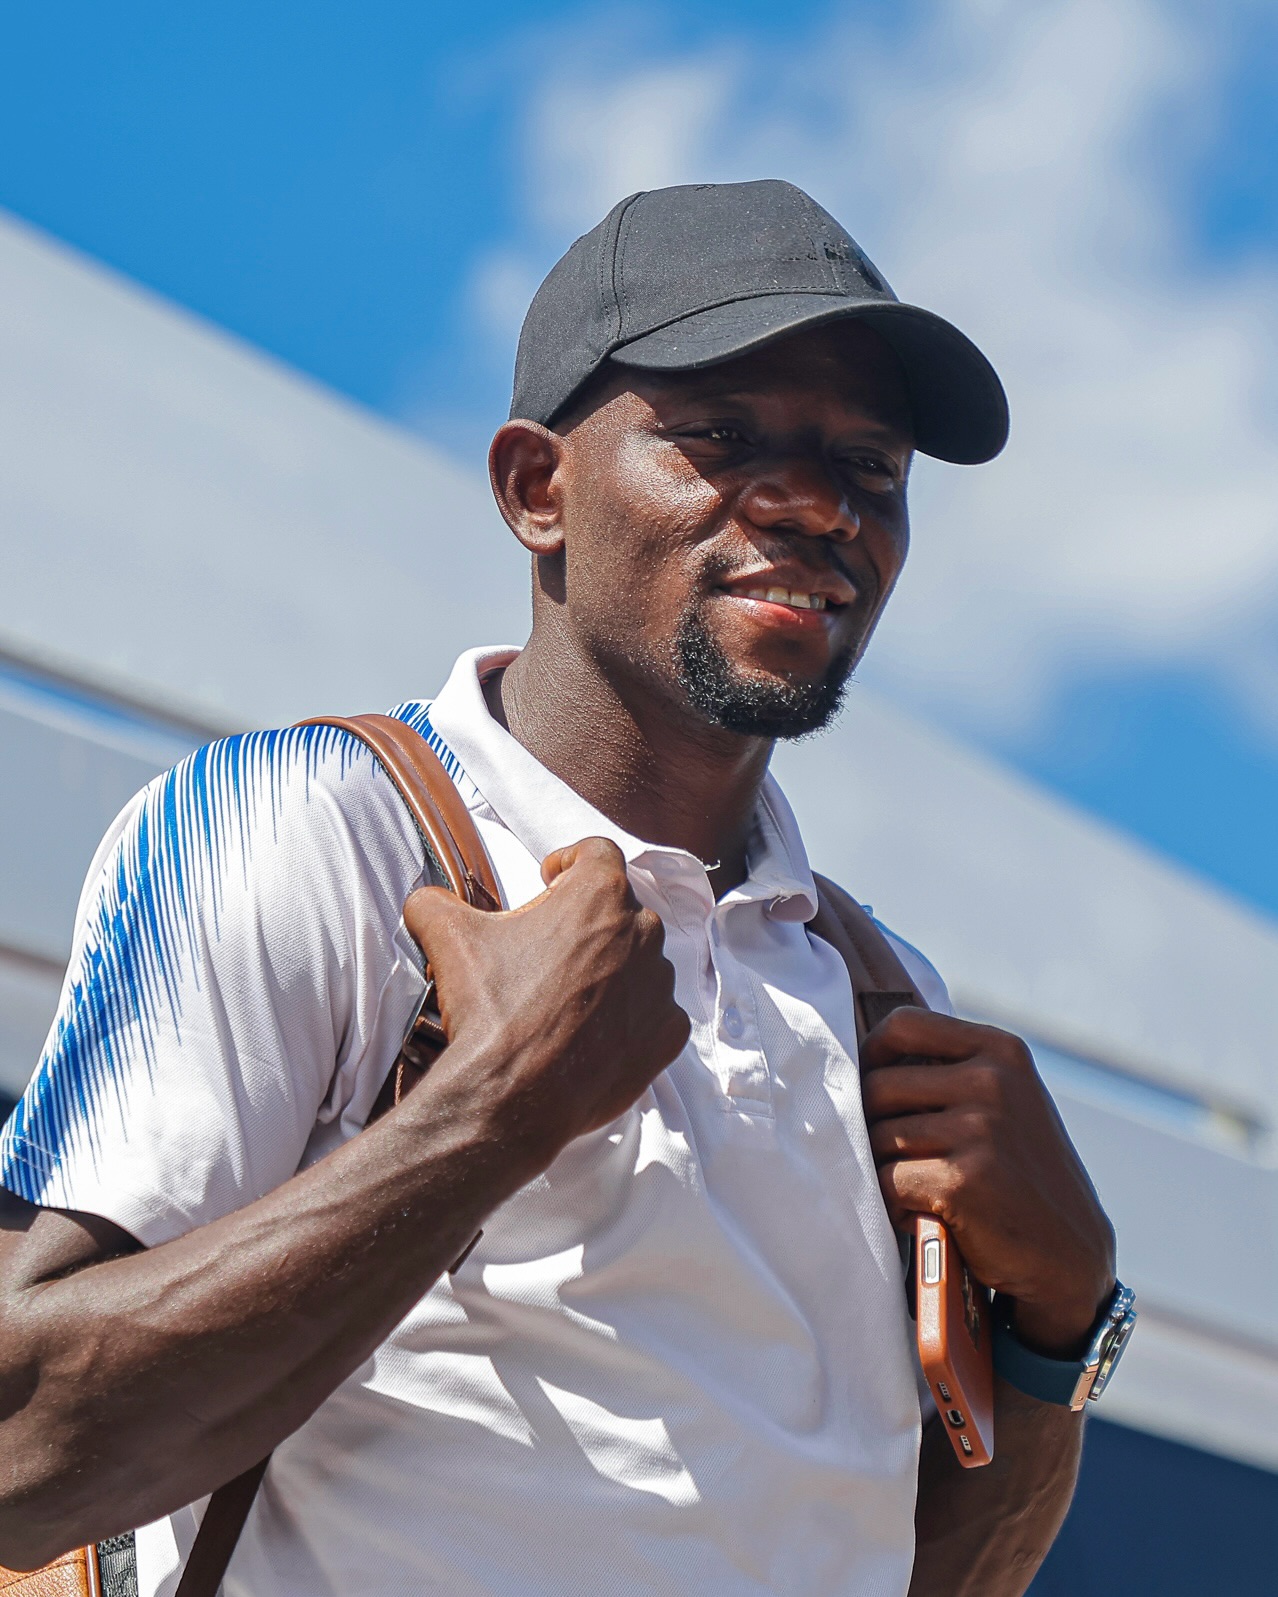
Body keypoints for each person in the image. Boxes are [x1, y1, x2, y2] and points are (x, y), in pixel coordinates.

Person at [0, 180, 1123, 1597]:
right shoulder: (322, 828)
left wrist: (1063, 1322)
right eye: (722, 436)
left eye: (870, 465)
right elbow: (20, 1458)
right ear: (540, 490)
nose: (819, 503)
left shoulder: (882, 995)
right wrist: (495, 1110)